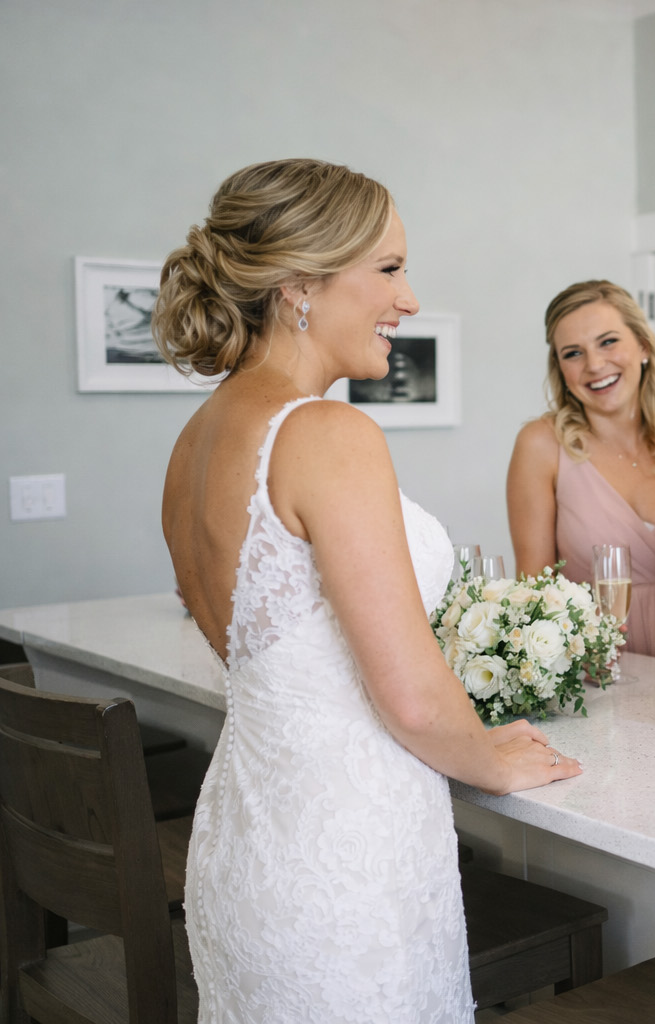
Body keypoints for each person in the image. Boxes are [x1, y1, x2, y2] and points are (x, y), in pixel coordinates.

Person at [155, 159, 579, 1021]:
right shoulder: (326, 432)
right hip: (345, 858)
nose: (410, 299)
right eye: (388, 270)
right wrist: (492, 754)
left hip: (246, 842)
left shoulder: (195, 440)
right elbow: (412, 699)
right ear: (299, 283)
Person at [506, 281, 655, 662]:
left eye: (608, 342)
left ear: (644, 346)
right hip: (595, 675)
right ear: (561, 369)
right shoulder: (541, 446)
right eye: (573, 353)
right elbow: (533, 596)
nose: (595, 365)